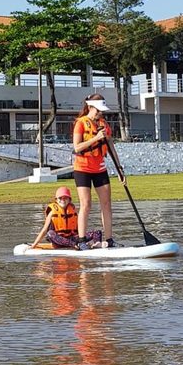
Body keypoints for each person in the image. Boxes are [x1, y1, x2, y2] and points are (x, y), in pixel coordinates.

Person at [72, 93, 126, 251]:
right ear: (90, 107)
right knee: (86, 204)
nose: (100, 113)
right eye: (98, 110)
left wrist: (119, 168)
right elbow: (77, 147)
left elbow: (111, 148)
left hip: (99, 168)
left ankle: (109, 240)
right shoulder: (80, 123)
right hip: (82, 168)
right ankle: (81, 241)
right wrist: (96, 138)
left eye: (101, 111)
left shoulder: (104, 125)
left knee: (107, 204)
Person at [31, 186, 102, 249]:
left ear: (69, 200)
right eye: (60, 198)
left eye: (65, 198)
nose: (63, 200)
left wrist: (82, 239)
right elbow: (44, 230)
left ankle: (96, 245)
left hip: (72, 238)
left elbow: (81, 226)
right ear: (56, 200)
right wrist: (34, 244)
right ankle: (73, 245)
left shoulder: (74, 211)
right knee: (50, 233)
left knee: (97, 232)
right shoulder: (52, 212)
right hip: (58, 240)